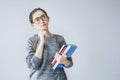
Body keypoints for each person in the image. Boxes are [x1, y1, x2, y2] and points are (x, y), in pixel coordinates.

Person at [26, 8, 73, 80]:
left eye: (43, 17)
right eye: (37, 19)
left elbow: (70, 64)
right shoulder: (32, 41)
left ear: (48, 18)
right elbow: (34, 66)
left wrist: (64, 61)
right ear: (33, 25)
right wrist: (42, 41)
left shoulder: (59, 39)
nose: (42, 21)